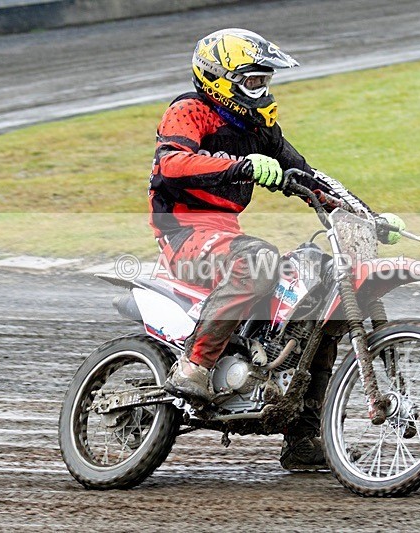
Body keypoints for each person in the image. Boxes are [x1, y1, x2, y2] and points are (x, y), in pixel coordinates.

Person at [148, 28, 404, 470]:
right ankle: (195, 365)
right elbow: (171, 163)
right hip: (183, 230)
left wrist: (368, 215)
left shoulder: (262, 130)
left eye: (265, 81)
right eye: (251, 82)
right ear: (219, 80)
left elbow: (310, 177)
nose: (261, 91)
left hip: (224, 230)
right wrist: (240, 165)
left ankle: (304, 436)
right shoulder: (189, 111)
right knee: (260, 260)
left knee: (325, 299)